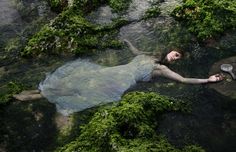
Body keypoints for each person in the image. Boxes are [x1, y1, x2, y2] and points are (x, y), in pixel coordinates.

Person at [13, 39, 223, 115]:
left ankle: (35, 96)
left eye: (177, 58)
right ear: (170, 50)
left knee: (79, 89)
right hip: (112, 72)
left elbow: (184, 80)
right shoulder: (151, 56)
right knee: (75, 81)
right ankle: (39, 92)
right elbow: (136, 53)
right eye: (175, 54)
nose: (175, 58)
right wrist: (128, 42)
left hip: (117, 82)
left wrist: (208, 80)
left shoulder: (162, 70)